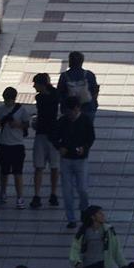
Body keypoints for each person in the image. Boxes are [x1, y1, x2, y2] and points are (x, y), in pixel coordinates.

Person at [54, 97, 93, 230]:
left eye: (71, 111)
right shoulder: (63, 121)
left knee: (82, 189)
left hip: (81, 159)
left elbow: (91, 137)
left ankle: (84, 210)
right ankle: (71, 219)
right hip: (66, 159)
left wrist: (84, 147)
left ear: (77, 108)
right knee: (67, 191)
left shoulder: (85, 120)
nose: (69, 114)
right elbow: (53, 136)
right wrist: (59, 147)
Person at [0, 86, 27, 207]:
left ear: (13, 99)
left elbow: (26, 125)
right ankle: (3, 192)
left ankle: (20, 197)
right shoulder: (1, 109)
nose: (6, 102)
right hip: (4, 144)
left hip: (17, 144)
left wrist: (18, 124)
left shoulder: (21, 110)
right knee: (4, 172)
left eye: (7, 99)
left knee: (18, 172)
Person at [30, 72, 60, 210]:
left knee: (41, 166)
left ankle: (38, 195)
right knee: (52, 166)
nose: (34, 86)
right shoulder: (55, 95)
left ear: (42, 85)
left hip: (44, 134)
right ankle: (52, 194)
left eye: (36, 83)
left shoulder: (41, 98)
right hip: (51, 134)